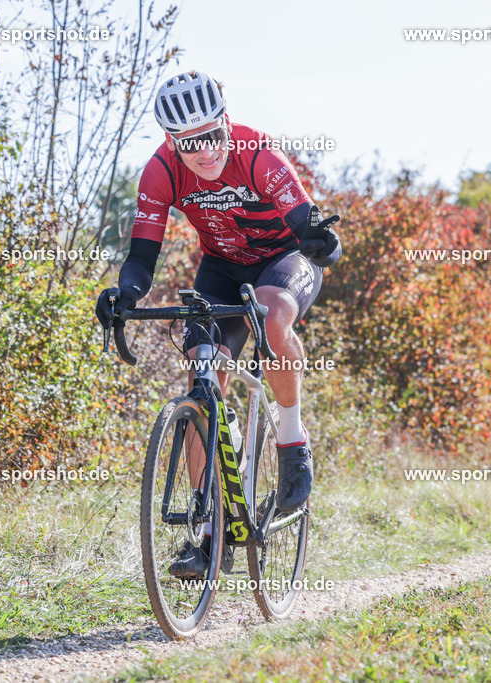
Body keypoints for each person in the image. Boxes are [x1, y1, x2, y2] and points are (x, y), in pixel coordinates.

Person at [96, 71, 341, 578]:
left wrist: (322, 242)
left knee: (273, 314)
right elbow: (143, 255)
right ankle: (208, 533)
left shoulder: (257, 154)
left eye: (212, 134)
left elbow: (306, 223)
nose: (205, 152)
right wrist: (125, 293)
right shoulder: (160, 172)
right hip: (223, 269)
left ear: (226, 123)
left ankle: (292, 441)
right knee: (203, 374)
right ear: (171, 141)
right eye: (190, 143)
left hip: (284, 260)